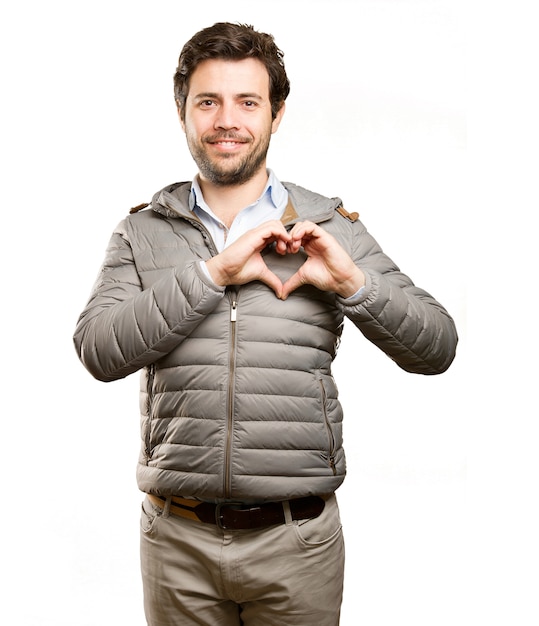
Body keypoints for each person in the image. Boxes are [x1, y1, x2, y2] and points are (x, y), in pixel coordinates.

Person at [73, 22, 458, 626]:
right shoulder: (141, 231)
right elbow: (98, 350)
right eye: (209, 101)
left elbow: (436, 346)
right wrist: (210, 275)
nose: (228, 119)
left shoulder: (333, 227)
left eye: (247, 101)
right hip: (176, 542)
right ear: (183, 113)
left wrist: (352, 285)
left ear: (276, 114)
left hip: (297, 544)